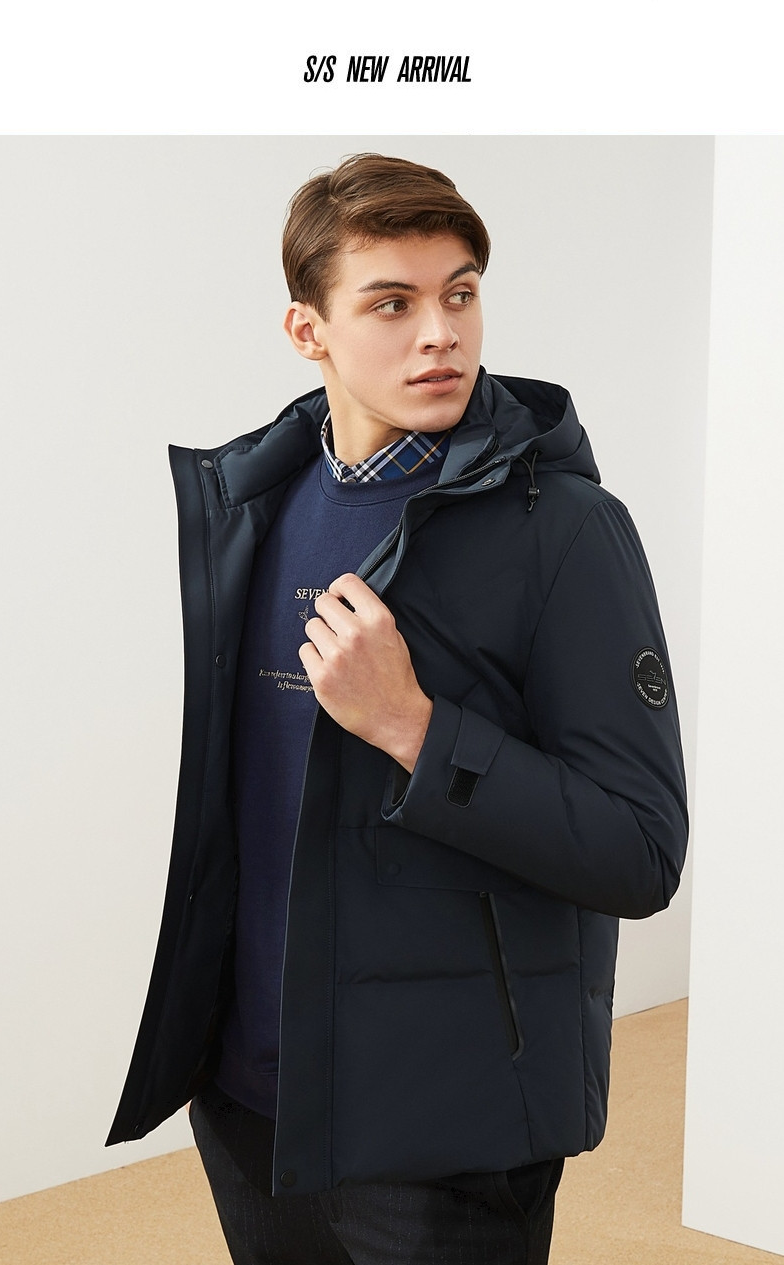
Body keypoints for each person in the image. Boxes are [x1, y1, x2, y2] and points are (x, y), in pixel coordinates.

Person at [107, 153, 688, 1264]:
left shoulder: (565, 531)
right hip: (250, 1099)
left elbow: (641, 849)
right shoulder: (250, 506)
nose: (441, 334)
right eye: (392, 302)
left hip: (447, 1128)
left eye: (460, 294)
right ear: (307, 330)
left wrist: (416, 729)